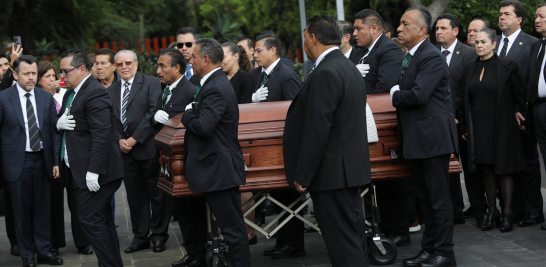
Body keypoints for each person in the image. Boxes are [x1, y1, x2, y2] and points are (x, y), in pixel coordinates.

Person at [284, 14, 370, 267]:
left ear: (312, 38)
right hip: (346, 171)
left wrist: (304, 174)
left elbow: (318, 128)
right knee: (351, 240)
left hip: (333, 175)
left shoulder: (326, 71)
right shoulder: (346, 67)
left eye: (304, 38)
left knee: (343, 247)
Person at [393, 7, 458, 267]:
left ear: (422, 30)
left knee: (439, 200)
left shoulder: (430, 56)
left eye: (404, 24)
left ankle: (445, 253)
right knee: (426, 200)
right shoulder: (412, 56)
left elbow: (418, 95)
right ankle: (429, 250)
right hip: (419, 139)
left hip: (432, 140)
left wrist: (395, 95)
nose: (398, 28)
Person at [182, 38, 251, 267]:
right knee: (232, 228)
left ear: (205, 59)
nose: (190, 61)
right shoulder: (213, 83)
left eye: (193, 57)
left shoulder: (216, 87)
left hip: (219, 169)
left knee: (233, 230)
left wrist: (188, 114)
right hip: (216, 168)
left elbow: (203, 126)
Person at [55, 48, 125, 267]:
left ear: (82, 68)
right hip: (80, 169)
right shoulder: (71, 92)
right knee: (101, 221)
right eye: (61, 71)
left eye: (66, 71)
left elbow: (102, 135)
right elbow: (65, 121)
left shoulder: (94, 92)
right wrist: (58, 124)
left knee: (89, 219)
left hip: (96, 172)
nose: (62, 76)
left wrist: (93, 171)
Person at [459, 28, 527, 233]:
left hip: (502, 126)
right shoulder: (469, 67)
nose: (479, 45)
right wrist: (464, 125)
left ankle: (507, 213)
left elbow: (519, 94)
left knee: (504, 169)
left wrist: (517, 112)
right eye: (477, 42)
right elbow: (463, 100)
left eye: (483, 42)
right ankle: (492, 211)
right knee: (486, 169)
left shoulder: (507, 66)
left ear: (494, 44)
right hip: (478, 127)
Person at [0, 55, 63, 267]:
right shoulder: (3, 97)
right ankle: (27, 255)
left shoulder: (45, 97)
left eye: (34, 73)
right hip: (16, 162)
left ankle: (44, 251)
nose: (31, 77)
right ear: (15, 74)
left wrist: (55, 161)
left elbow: (54, 131)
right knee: (21, 210)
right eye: (26, 73)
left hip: (42, 159)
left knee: (43, 209)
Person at [106, 49, 169, 254]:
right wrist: (119, 141)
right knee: (134, 197)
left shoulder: (151, 83)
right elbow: (108, 120)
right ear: (115, 67)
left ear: (136, 64)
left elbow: (153, 113)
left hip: (147, 148)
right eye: (120, 64)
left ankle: (159, 236)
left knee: (156, 195)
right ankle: (140, 237)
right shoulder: (110, 91)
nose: (124, 67)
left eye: (128, 63)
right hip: (125, 152)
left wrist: (133, 139)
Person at [37, 61, 94, 257]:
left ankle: (83, 242)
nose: (53, 80)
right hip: (52, 157)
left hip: (70, 154)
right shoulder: (38, 98)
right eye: (48, 77)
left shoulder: (67, 94)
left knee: (77, 200)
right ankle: (54, 243)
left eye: (55, 75)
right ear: (38, 80)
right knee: (53, 201)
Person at [150, 48, 201, 267]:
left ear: (177, 67)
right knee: (181, 211)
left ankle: (199, 253)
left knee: (193, 211)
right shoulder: (166, 90)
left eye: (163, 66)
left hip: (185, 159)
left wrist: (169, 118)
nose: (158, 70)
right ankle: (192, 252)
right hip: (170, 162)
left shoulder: (190, 90)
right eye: (158, 65)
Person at [495, 0, 543, 227]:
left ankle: (534, 210)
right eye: (500, 14)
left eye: (507, 14)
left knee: (528, 162)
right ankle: (513, 209)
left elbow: (530, 80)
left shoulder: (533, 43)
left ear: (519, 19)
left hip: (522, 113)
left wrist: (520, 109)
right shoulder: (493, 43)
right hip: (497, 116)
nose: (501, 17)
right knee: (507, 164)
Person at [435, 13, 481, 226]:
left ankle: (480, 208)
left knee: (471, 168)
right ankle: (455, 211)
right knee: (447, 170)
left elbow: (472, 91)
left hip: (464, 121)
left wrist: (462, 120)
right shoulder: (432, 54)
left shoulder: (470, 54)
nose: (438, 32)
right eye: (436, 28)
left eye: (443, 28)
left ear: (455, 31)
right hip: (439, 123)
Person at [353, 9, 405, 94]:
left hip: (373, 106)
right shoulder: (360, 50)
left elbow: (384, 89)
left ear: (374, 29)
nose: (354, 33)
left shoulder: (390, 49)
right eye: (354, 29)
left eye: (358, 29)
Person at [529, 2, 546, 231]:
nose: (537, 20)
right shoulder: (537, 45)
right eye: (536, 16)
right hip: (538, 109)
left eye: (541, 16)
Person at [250, 33, 301, 104]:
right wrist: (252, 99)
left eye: (258, 51)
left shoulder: (288, 75)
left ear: (272, 51)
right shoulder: (261, 75)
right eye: (255, 52)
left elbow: (293, 109)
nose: (255, 55)